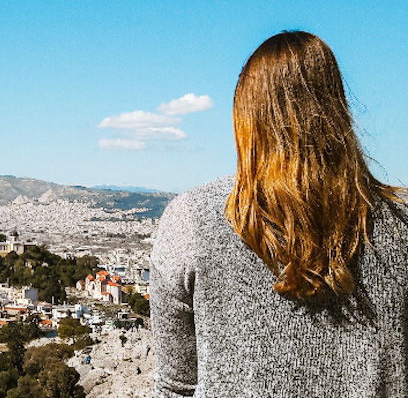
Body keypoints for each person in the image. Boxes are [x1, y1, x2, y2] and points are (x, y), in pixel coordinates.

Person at [150, 31, 408, 397]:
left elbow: (175, 386)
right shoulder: (400, 223)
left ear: (245, 119)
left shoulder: (191, 220)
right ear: (337, 109)